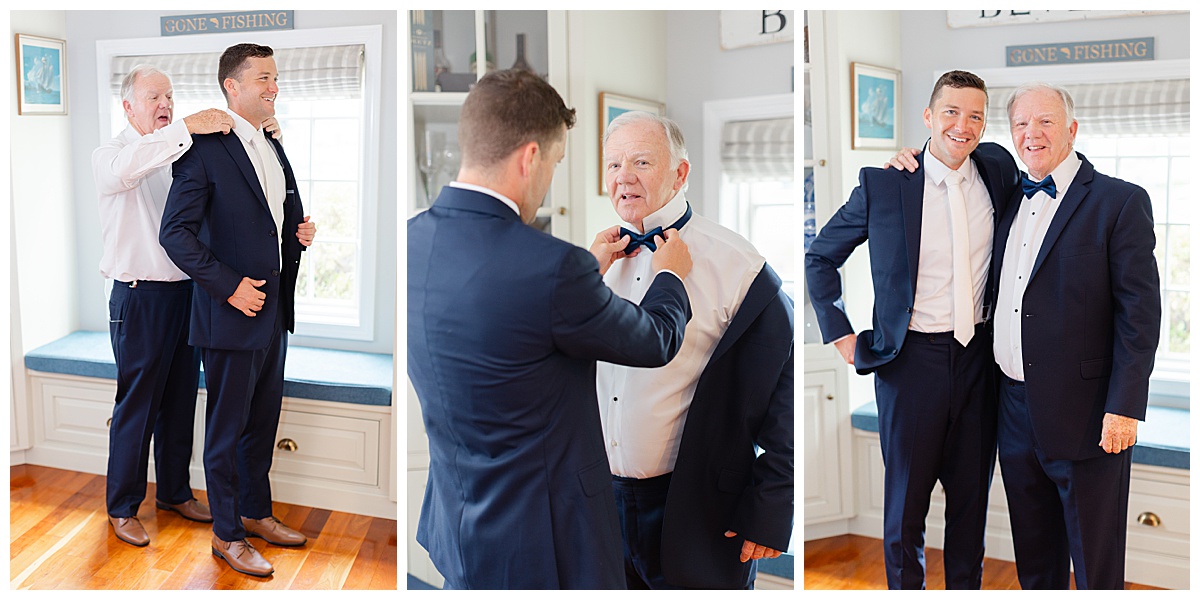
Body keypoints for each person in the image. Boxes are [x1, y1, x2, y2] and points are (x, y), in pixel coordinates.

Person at [407, 69, 695, 590]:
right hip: (544, 542)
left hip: (458, 523)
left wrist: (585, 270)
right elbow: (655, 340)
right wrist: (671, 274)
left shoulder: (411, 240)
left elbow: (505, 322)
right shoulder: (551, 268)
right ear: (530, 157)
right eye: (557, 163)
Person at [806, 70, 1020, 589]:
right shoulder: (883, 183)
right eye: (951, 112)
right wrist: (841, 336)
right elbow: (820, 258)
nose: (962, 125)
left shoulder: (998, 168)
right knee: (905, 510)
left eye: (975, 116)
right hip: (910, 366)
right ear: (928, 117)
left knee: (971, 509)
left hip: (979, 363)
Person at [590, 111, 793, 590]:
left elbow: (780, 402)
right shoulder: (593, 263)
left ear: (680, 172)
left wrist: (769, 508)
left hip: (697, 505)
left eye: (641, 161)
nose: (624, 177)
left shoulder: (740, 266)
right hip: (598, 504)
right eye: (613, 164)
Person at [93, 65, 284, 547]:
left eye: (171, 96)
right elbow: (129, 169)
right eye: (154, 96)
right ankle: (122, 507)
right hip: (140, 298)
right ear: (128, 106)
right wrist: (186, 128)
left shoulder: (180, 154)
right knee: (138, 404)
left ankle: (174, 492)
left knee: (179, 402)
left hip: (189, 294)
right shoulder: (113, 155)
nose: (165, 104)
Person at [160, 43, 317, 578]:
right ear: (232, 86)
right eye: (264, 79)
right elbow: (174, 234)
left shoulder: (271, 142)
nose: (275, 87)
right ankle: (227, 535)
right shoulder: (203, 150)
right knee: (226, 432)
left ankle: (254, 512)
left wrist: (296, 234)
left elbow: (273, 216)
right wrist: (228, 288)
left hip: (274, 313)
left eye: (276, 78)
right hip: (231, 314)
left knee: (261, 423)